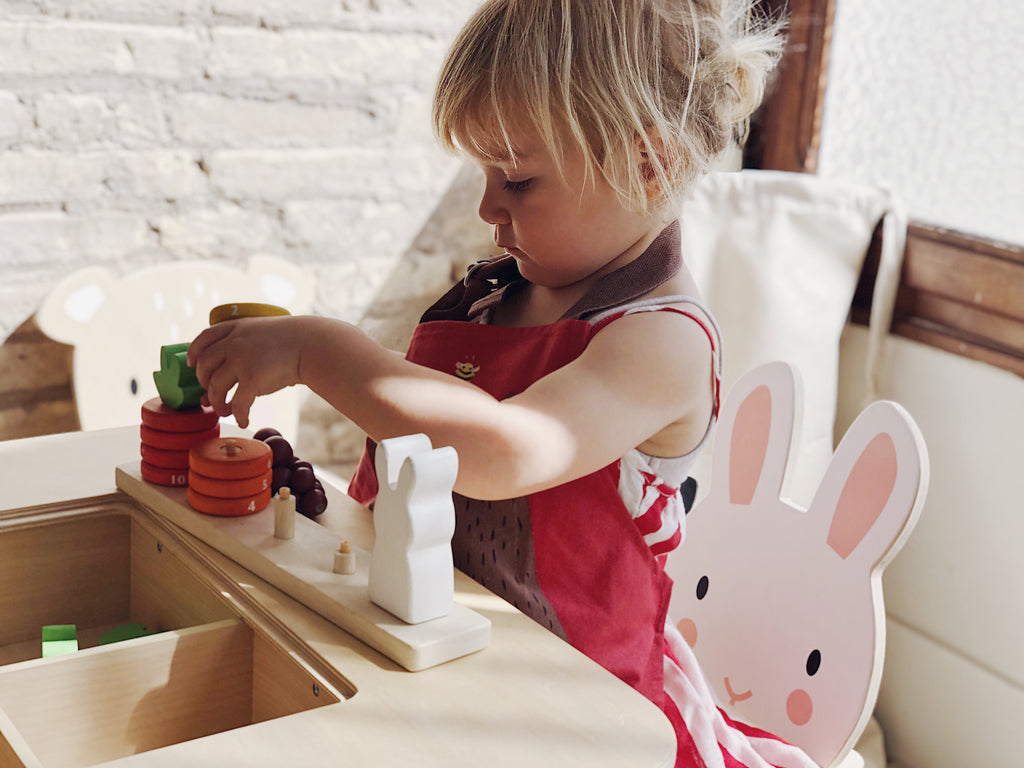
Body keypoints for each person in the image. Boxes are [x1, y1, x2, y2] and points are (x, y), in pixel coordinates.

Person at [189, 1, 816, 765]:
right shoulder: (494, 297)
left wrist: (323, 352)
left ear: (646, 165)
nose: (487, 208)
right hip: (434, 655)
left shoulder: (661, 341)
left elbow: (505, 452)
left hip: (574, 713)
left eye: (517, 180)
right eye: (483, 172)